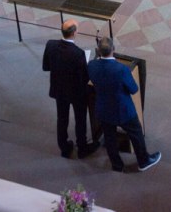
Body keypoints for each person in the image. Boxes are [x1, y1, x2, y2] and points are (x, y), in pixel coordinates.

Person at [87, 37, 160, 173]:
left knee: (109, 137)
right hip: (122, 110)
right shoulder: (121, 69)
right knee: (136, 133)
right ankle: (143, 161)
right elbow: (133, 89)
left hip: (103, 108)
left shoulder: (91, 65)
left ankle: (117, 165)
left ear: (98, 51)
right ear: (113, 50)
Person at [42, 19, 99, 160]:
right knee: (80, 119)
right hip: (76, 93)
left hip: (59, 90)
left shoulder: (51, 45)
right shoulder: (78, 53)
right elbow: (85, 77)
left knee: (62, 119)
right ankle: (82, 148)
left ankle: (64, 148)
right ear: (74, 33)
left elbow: (46, 67)